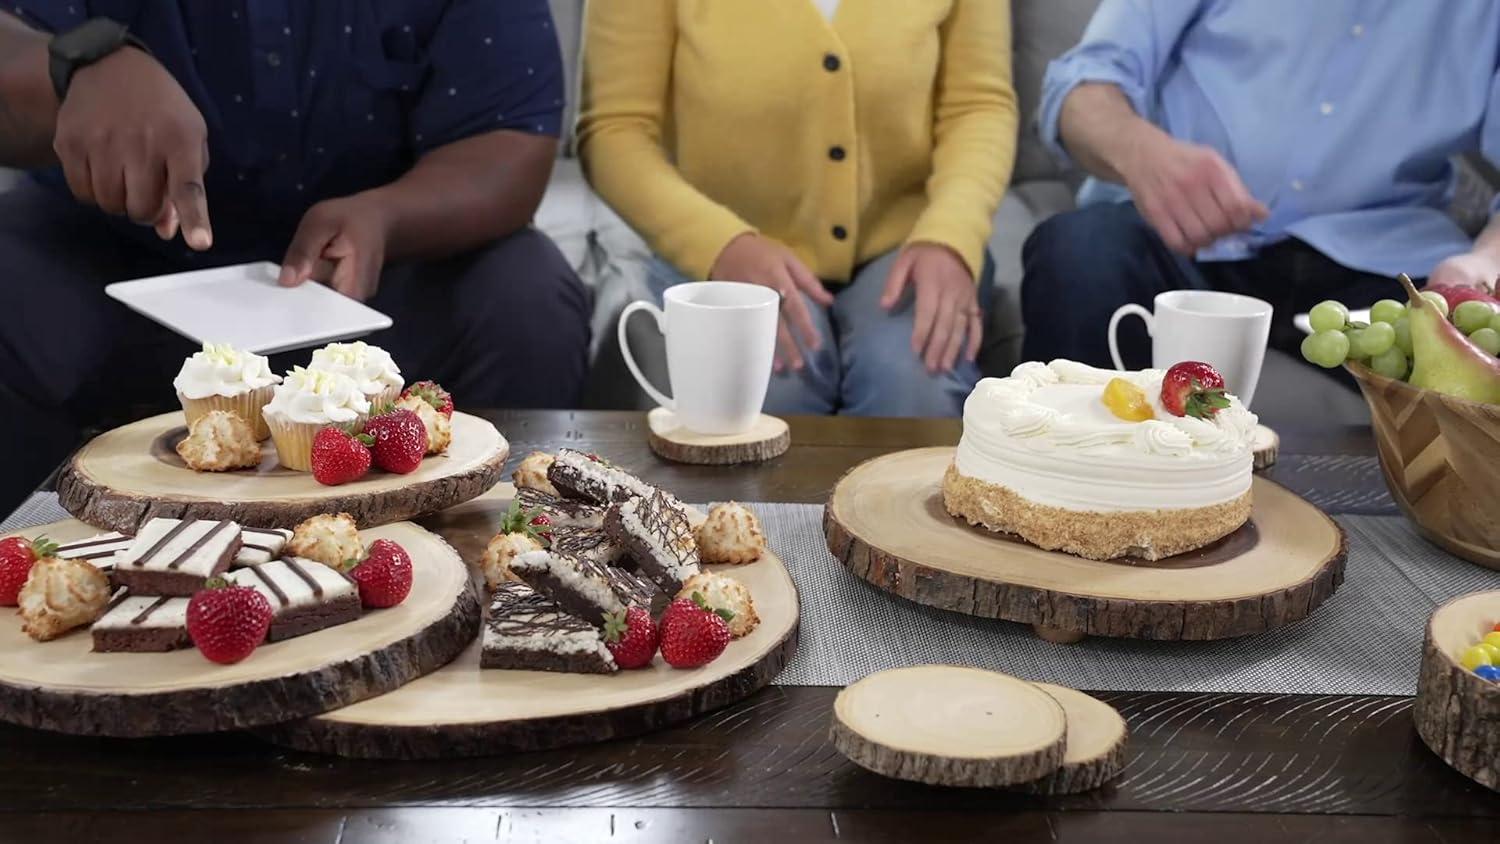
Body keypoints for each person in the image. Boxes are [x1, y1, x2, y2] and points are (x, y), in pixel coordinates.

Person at [0, 2, 591, 511]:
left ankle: (498, 557)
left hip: (369, 279)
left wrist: (388, 216)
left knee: (529, 300)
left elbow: (510, 136)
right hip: (109, 259)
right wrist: (79, 66)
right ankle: (39, 558)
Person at [578, 0, 1016, 417]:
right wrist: (719, 244)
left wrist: (952, 234)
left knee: (916, 389)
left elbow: (978, 105)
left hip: (906, 241)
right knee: (756, 401)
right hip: (719, 245)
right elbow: (615, 129)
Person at [1021, 1, 1500, 370]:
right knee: (1080, 252)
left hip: (1380, 263)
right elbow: (1078, 88)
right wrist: (1141, 152)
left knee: (1474, 333)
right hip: (1182, 239)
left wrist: (1486, 259)